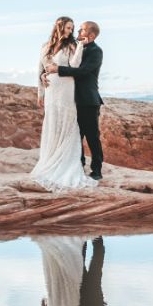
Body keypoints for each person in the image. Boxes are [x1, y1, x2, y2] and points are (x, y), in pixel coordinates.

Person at [30, 17, 96, 191]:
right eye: (67, 27)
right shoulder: (45, 46)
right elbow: (40, 69)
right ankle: (49, 160)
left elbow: (74, 65)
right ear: (59, 27)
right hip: (51, 90)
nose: (70, 31)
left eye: (72, 28)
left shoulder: (72, 45)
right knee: (52, 123)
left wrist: (80, 46)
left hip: (66, 87)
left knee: (67, 123)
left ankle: (66, 165)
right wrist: (40, 93)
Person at [45, 20, 104, 180]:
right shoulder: (74, 47)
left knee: (92, 136)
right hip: (69, 100)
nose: (78, 31)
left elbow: (83, 71)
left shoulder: (95, 51)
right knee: (74, 136)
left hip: (87, 100)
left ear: (91, 35)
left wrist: (58, 69)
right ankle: (78, 167)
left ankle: (97, 171)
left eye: (82, 29)